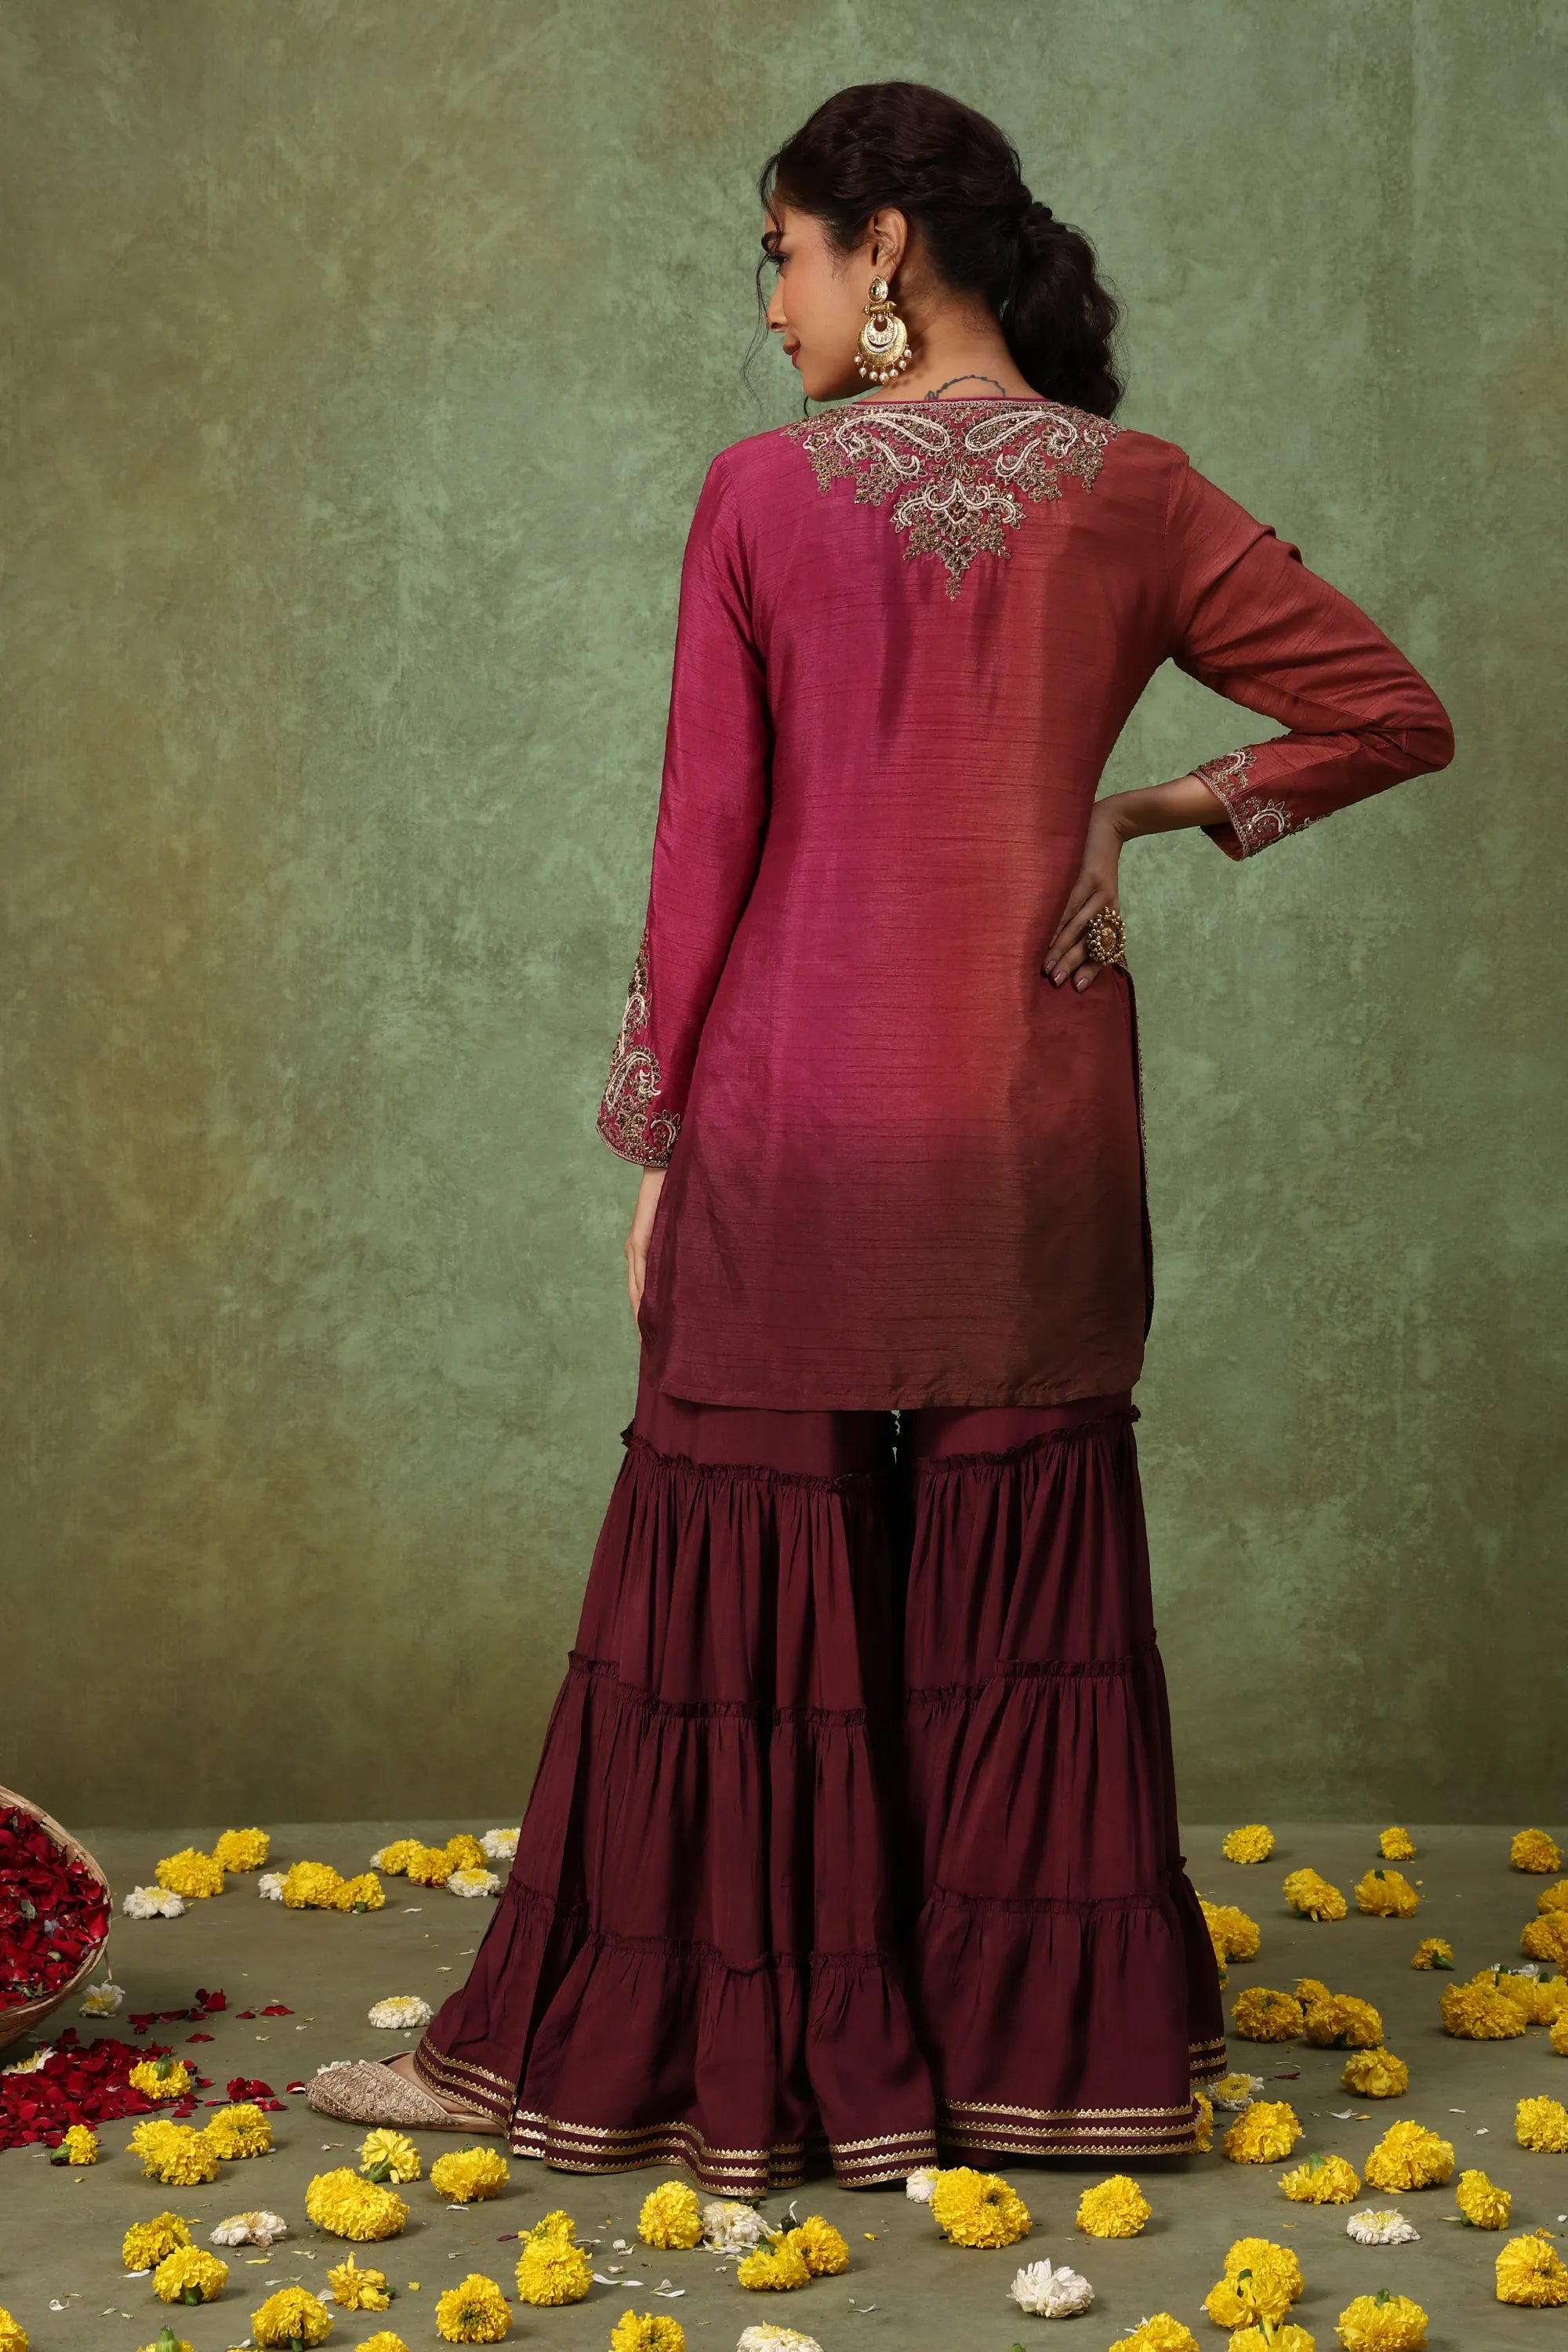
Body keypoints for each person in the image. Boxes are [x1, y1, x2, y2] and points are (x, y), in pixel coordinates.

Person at [310, 82, 1454, 2188]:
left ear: (889, 255)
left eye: (784, 251)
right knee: (1015, 1602)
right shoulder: (1145, 493)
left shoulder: (760, 499)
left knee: (751, 1599)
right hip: (1037, 1135)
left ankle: (672, 2061)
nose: (774, 305)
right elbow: (1397, 709)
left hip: (794, 1123)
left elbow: (706, 849)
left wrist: (657, 1145)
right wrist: (1148, 807)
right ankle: (1041, 2069)